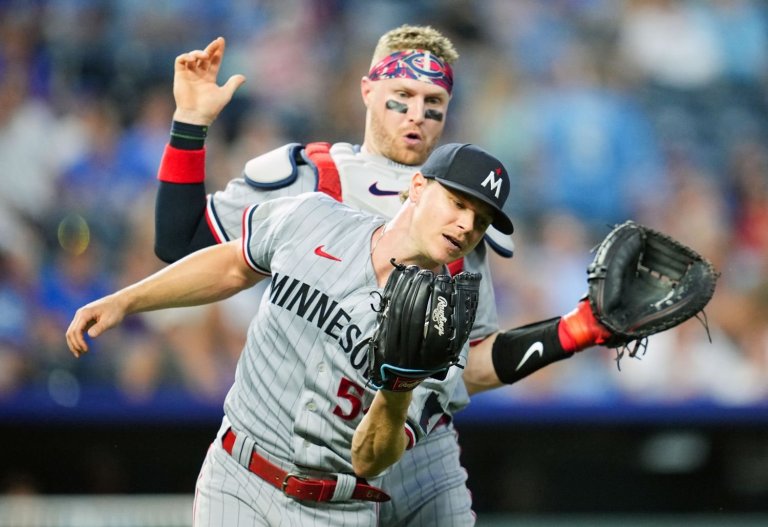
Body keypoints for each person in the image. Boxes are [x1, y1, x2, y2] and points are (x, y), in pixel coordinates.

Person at [152, 26, 614, 525]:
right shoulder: (313, 177)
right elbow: (180, 244)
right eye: (404, 96)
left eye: (433, 101)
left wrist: (572, 331)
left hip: (417, 453)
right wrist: (191, 123)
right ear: (368, 88)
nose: (418, 113)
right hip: (308, 447)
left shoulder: (464, 214)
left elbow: (468, 366)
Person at [67, 143, 517, 525]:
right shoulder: (314, 217)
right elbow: (231, 264)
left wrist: (398, 389)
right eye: (459, 204)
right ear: (417, 187)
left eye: (480, 221)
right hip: (237, 480)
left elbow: (370, 460)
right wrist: (125, 300)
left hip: (339, 508)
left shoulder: (444, 334)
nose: (466, 226)